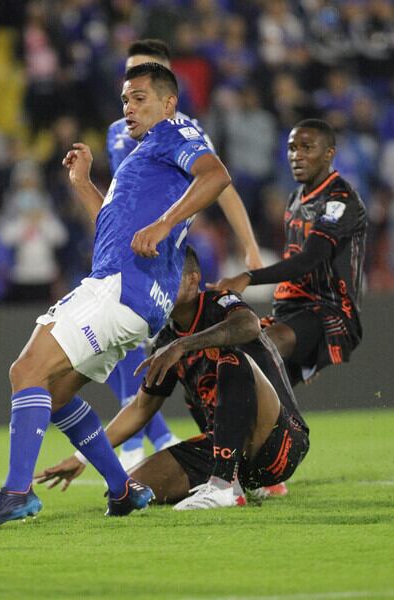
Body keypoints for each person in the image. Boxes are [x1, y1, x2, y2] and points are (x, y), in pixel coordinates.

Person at [0, 63, 232, 530]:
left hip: (121, 286)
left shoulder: (175, 130)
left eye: (140, 97)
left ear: (168, 103)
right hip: (133, 293)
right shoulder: (145, 157)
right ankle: (123, 490)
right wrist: (85, 186)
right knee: (57, 394)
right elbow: (113, 227)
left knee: (27, 370)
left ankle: (17, 492)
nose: (129, 107)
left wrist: (165, 223)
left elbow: (216, 175)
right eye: (125, 99)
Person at [35, 248, 310, 509]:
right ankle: (235, 480)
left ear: (193, 280)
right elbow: (141, 409)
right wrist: (82, 456)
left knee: (231, 361)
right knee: (132, 489)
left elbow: (248, 326)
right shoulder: (167, 338)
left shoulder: (219, 303)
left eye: (169, 275)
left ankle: (224, 487)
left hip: (279, 439)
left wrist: (184, 345)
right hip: (224, 450)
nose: (160, 283)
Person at [105, 39, 264, 471]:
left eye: (144, 79)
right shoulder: (118, 133)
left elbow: (218, 183)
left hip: (169, 254)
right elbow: (118, 201)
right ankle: (147, 435)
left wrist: (248, 245)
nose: (132, 95)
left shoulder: (185, 128)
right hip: (128, 253)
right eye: (129, 82)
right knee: (122, 342)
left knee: (178, 342)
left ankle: (233, 441)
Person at [211, 119, 367, 386]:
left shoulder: (340, 200)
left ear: (329, 153)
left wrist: (248, 277)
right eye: (292, 148)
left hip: (330, 312)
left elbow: (309, 260)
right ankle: (255, 426)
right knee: (239, 365)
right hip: (293, 312)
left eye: (307, 147)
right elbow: (295, 263)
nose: (297, 155)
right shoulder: (296, 199)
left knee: (267, 347)